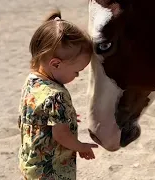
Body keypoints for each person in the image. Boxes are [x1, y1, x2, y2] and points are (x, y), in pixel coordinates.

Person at [17, 9, 98, 180]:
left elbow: (34, 113)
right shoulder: (57, 95)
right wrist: (80, 146)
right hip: (50, 170)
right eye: (77, 71)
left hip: (31, 163)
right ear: (56, 64)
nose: (77, 76)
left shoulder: (31, 81)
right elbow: (61, 135)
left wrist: (64, 116)